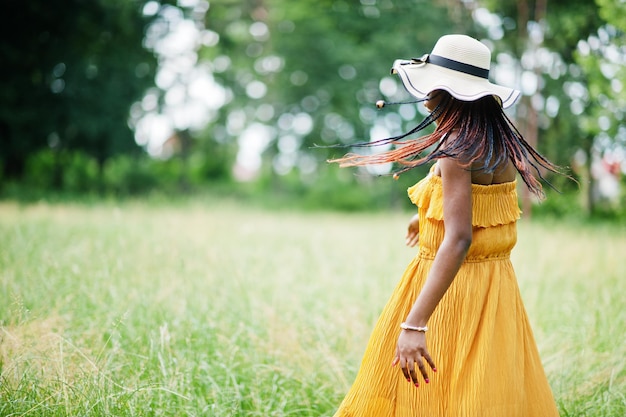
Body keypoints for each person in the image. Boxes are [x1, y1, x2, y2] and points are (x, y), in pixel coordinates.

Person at [329, 34, 564, 417]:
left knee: (418, 397)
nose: (425, 99)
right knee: (475, 395)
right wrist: (421, 215)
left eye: (431, 88)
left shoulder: (456, 146)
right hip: (494, 291)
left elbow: (458, 238)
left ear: (450, 93)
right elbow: (473, 202)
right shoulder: (497, 141)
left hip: (447, 293)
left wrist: (415, 325)